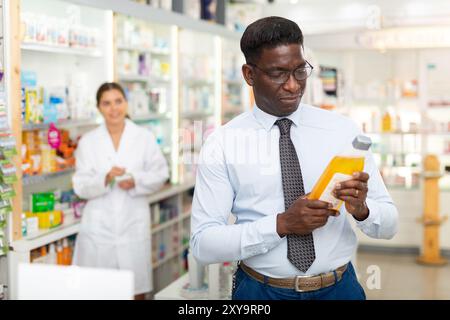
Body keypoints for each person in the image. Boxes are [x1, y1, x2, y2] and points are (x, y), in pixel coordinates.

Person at [190, 17, 398, 300]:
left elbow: (389, 225)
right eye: (277, 73)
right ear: (249, 74)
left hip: (340, 289)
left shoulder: (342, 131)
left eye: (300, 71)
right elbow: (203, 244)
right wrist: (281, 224)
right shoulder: (223, 144)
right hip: (260, 292)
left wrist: (362, 208)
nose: (292, 86)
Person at [72, 82, 169, 299]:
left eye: (118, 101)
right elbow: (80, 185)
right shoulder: (88, 142)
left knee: (136, 291)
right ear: (99, 108)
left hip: (132, 224)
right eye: (106, 103)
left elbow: (160, 173)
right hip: (99, 229)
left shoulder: (143, 137)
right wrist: (104, 178)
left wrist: (136, 180)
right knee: (98, 291)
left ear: (126, 103)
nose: (113, 108)